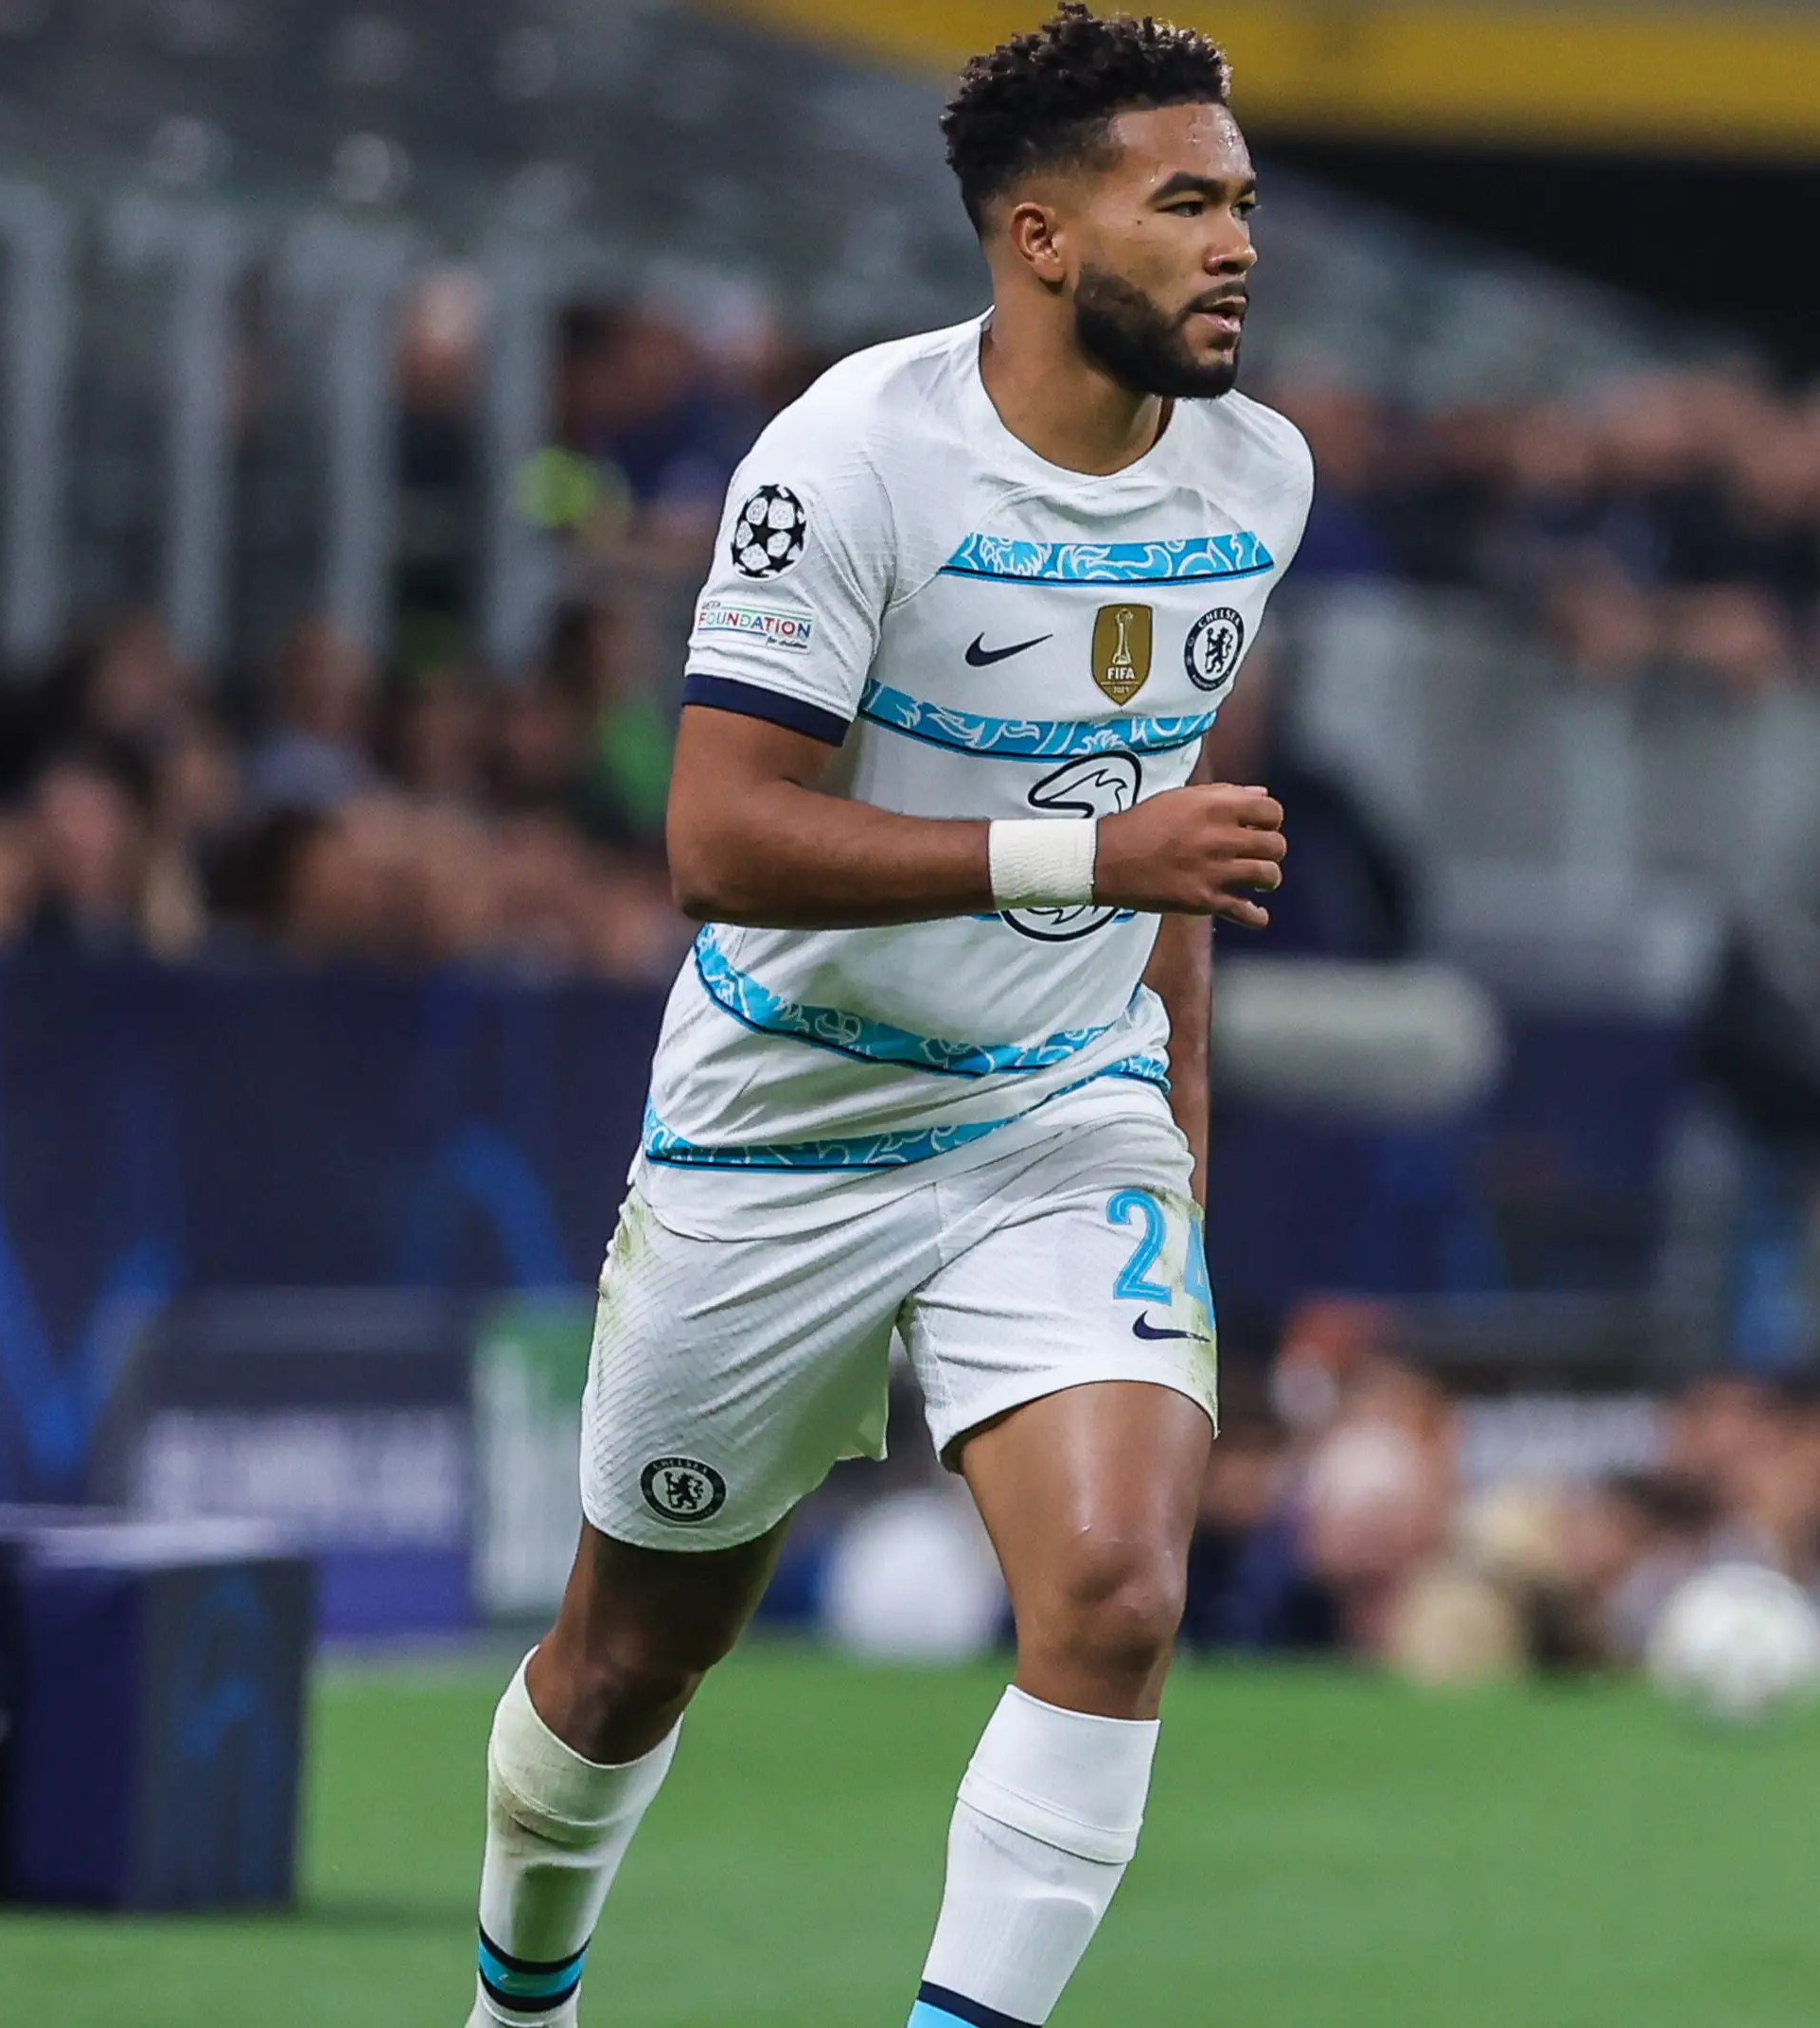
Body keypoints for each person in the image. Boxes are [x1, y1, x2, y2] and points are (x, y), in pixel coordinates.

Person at [460, 14, 1307, 2028]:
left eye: (1242, 202)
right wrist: (1086, 862)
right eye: (1180, 202)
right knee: (628, 1655)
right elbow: (715, 837)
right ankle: (515, 2006)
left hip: (1055, 1113)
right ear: (1035, 233)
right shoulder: (847, 460)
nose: (1232, 245)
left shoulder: (1253, 475)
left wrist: (1172, 1138)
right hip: (782, 1127)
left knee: (1110, 1593)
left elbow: (1167, 845)